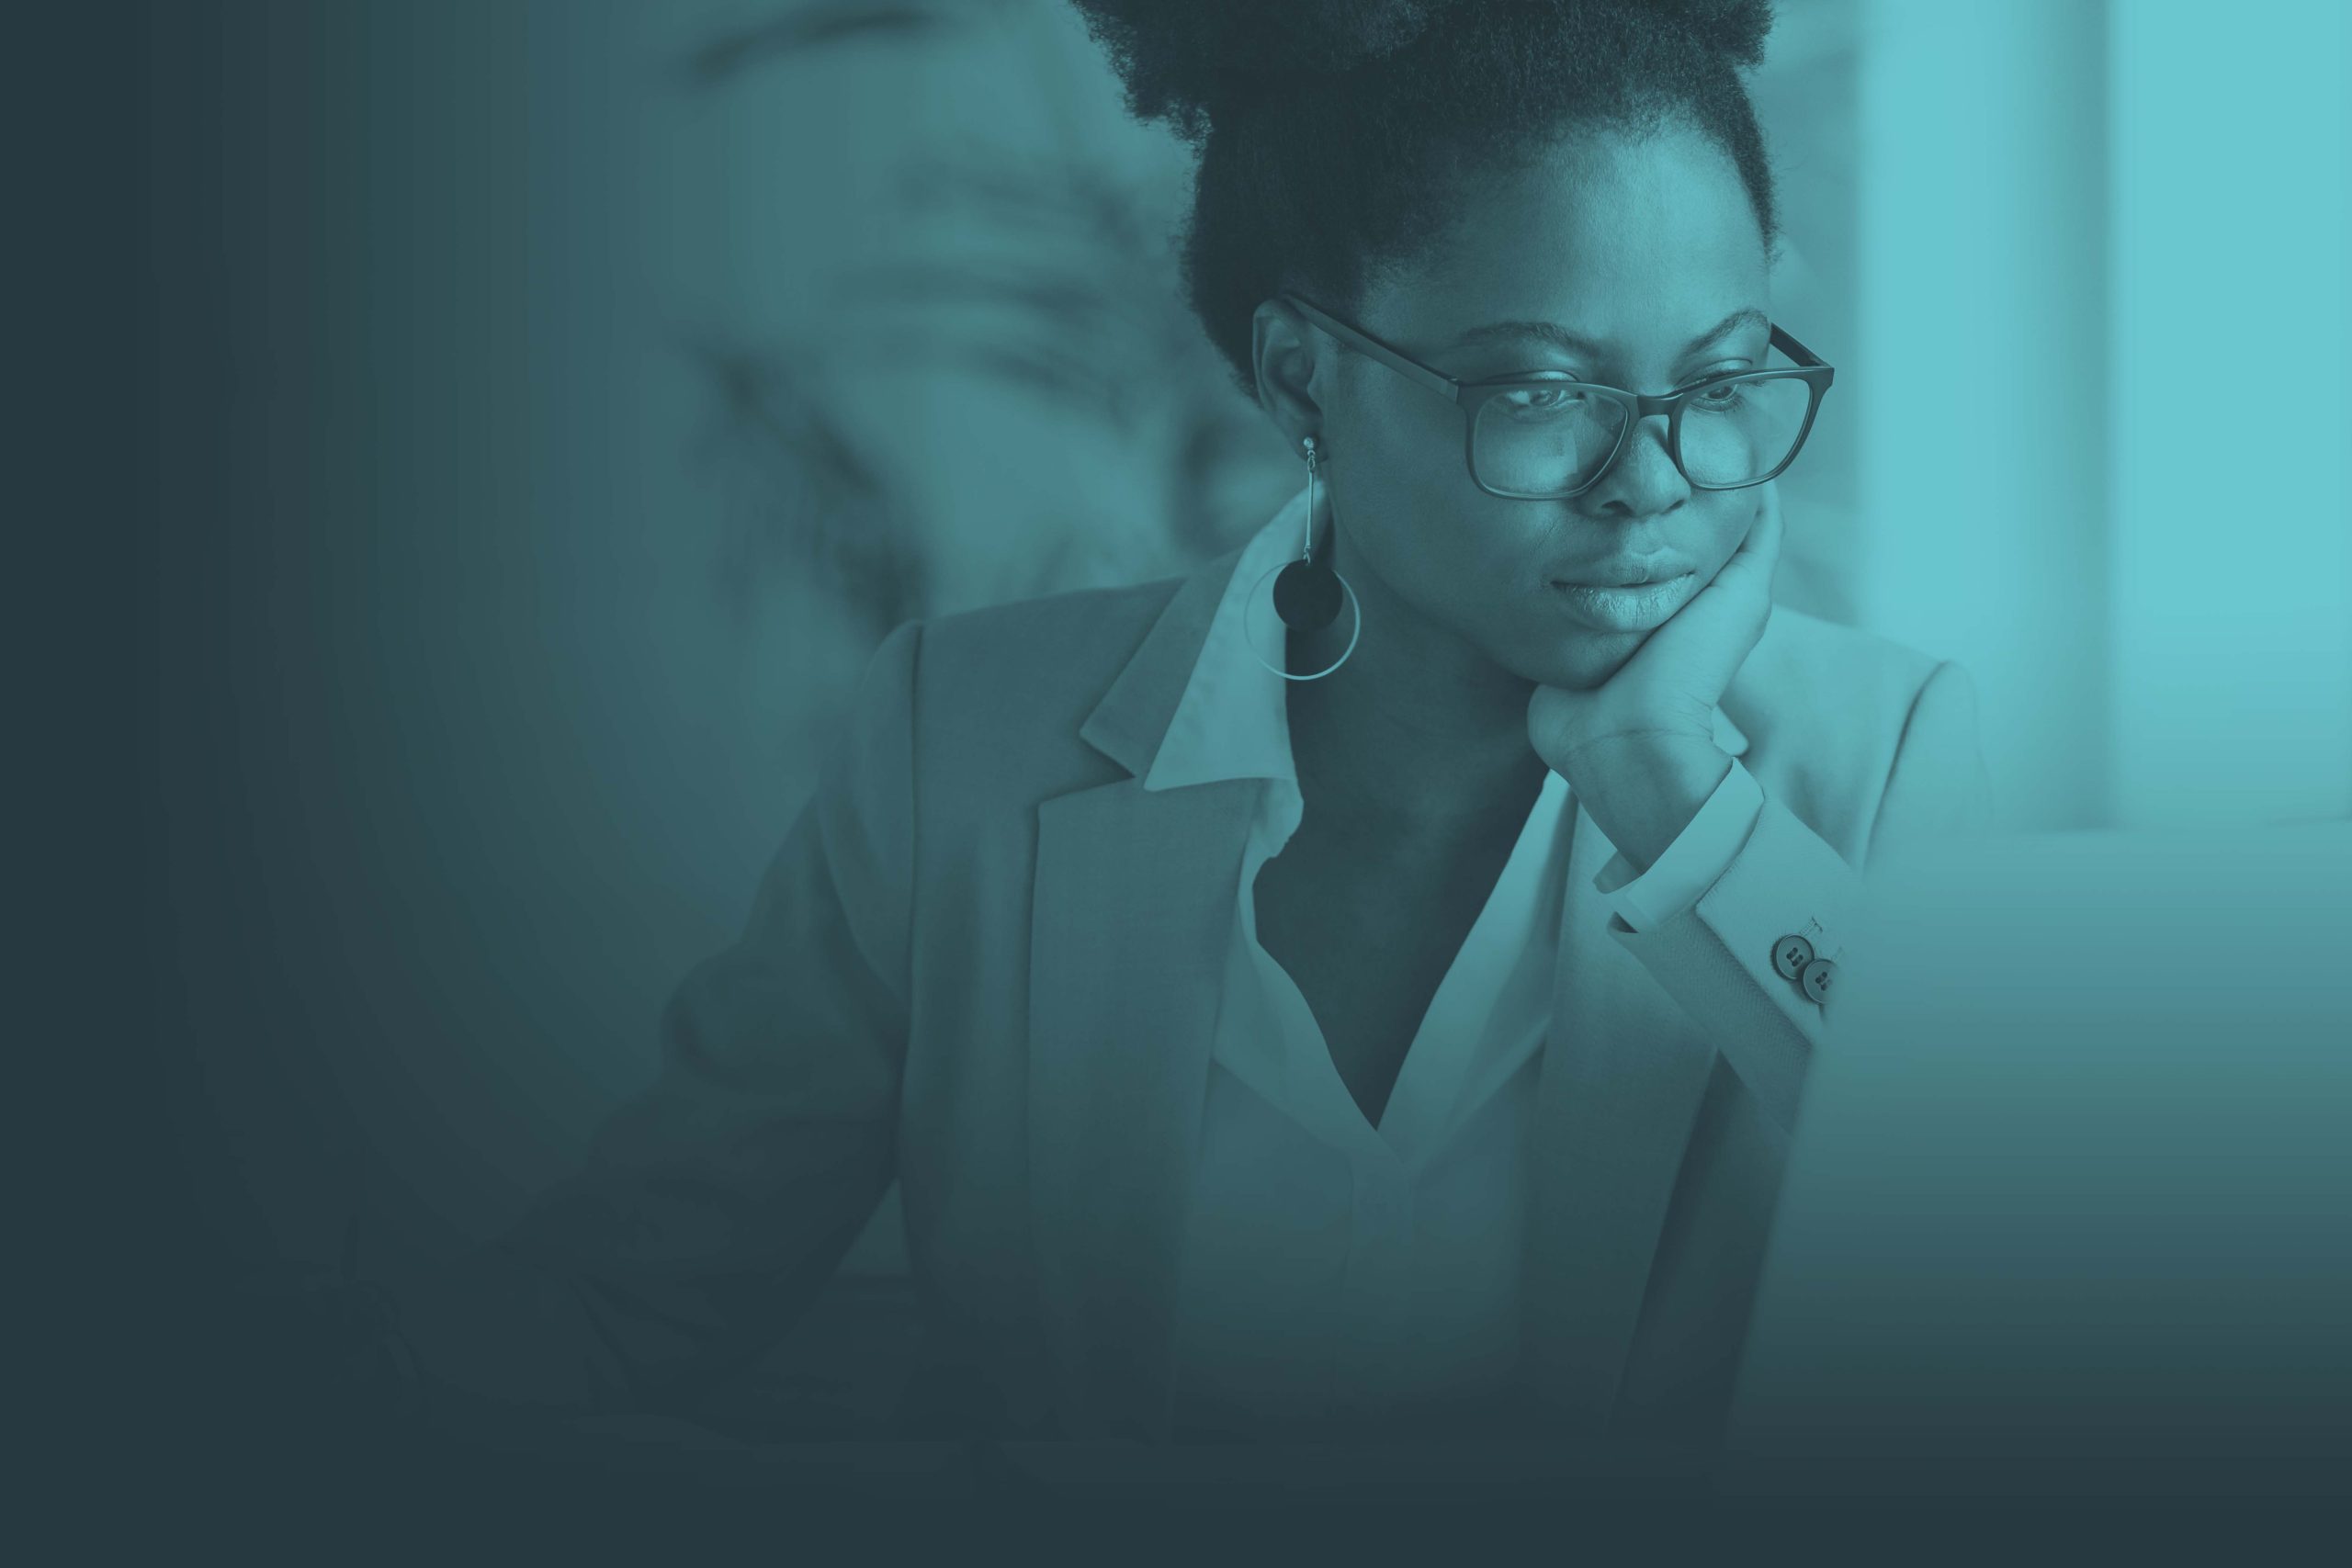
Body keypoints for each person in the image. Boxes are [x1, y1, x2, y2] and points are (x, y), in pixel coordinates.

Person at [380, 0, 1991, 1471]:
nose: (1654, 479)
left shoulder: (1873, 756)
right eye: (1544, 391)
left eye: (1718, 383)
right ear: (1304, 374)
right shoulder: (969, 743)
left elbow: (2037, 1274)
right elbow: (620, 1301)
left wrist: (1669, 787)